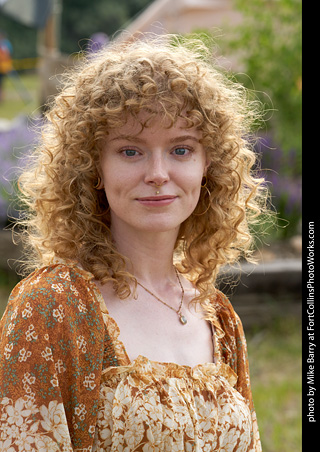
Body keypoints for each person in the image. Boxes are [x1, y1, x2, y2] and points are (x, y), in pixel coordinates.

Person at [0, 35, 267, 451]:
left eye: (181, 149)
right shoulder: (54, 307)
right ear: (93, 169)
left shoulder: (219, 318)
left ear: (206, 166)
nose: (158, 173)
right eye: (130, 152)